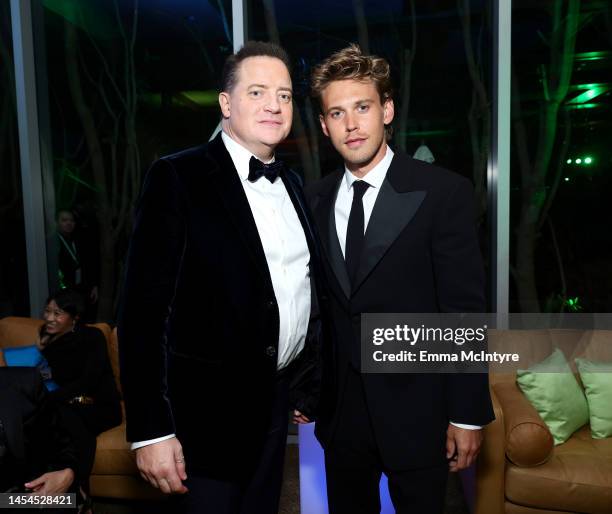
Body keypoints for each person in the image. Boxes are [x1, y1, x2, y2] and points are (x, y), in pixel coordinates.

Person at [118, 40, 324, 514]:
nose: (274, 104)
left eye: (285, 94)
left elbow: (301, 293)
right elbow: (142, 314)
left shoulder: (293, 185)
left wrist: (306, 382)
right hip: (201, 423)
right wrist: (152, 429)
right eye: (257, 92)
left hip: (273, 409)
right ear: (226, 104)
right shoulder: (178, 177)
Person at [306, 44, 494, 514]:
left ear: (386, 111)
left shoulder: (442, 193)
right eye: (337, 112)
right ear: (325, 125)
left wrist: (466, 414)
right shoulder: (313, 199)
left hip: (419, 411)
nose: (351, 124)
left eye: (363, 107)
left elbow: (463, 313)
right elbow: (315, 306)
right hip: (342, 414)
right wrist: (304, 385)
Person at [37, 289, 122, 507]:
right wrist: (42, 349)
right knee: (54, 415)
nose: (49, 318)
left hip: (99, 403)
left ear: (74, 317)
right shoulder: (48, 339)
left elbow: (88, 382)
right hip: (69, 403)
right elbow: (49, 378)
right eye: (47, 311)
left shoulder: (92, 337)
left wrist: (50, 399)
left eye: (57, 313)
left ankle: (77, 484)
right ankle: (73, 496)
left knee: (62, 411)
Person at [0, 367, 78, 512]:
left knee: (66, 500)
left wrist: (68, 474)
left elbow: (62, 446)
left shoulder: (25, 382)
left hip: (19, 498)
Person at [56, 209, 99, 319]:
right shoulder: (52, 242)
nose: (69, 223)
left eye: (71, 220)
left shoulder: (78, 240)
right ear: (57, 222)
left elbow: (88, 264)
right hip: (62, 292)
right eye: (64, 220)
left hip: (81, 290)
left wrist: (94, 285)